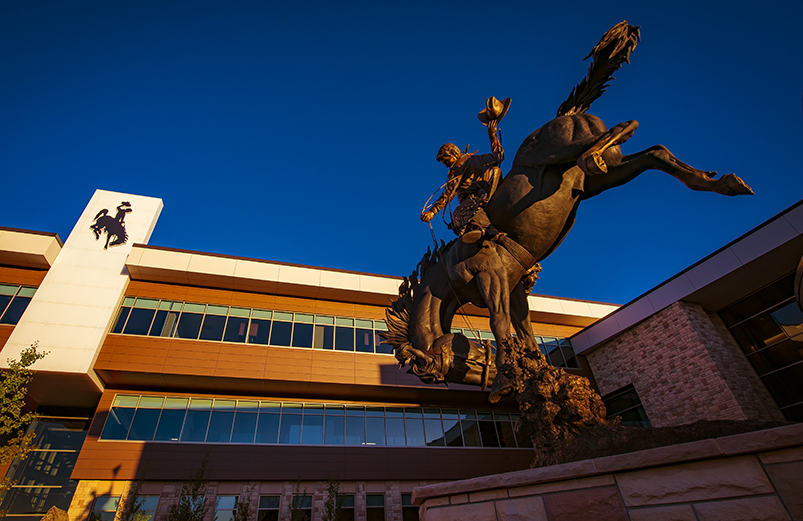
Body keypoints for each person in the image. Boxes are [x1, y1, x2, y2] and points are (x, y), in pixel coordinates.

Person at [421, 97, 510, 244]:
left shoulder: (457, 166)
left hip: (475, 199)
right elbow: (499, 156)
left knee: (458, 214)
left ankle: (488, 230)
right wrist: (492, 134)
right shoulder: (473, 159)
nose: (444, 164)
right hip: (489, 190)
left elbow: (449, 192)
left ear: (452, 154)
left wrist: (432, 211)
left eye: (445, 160)